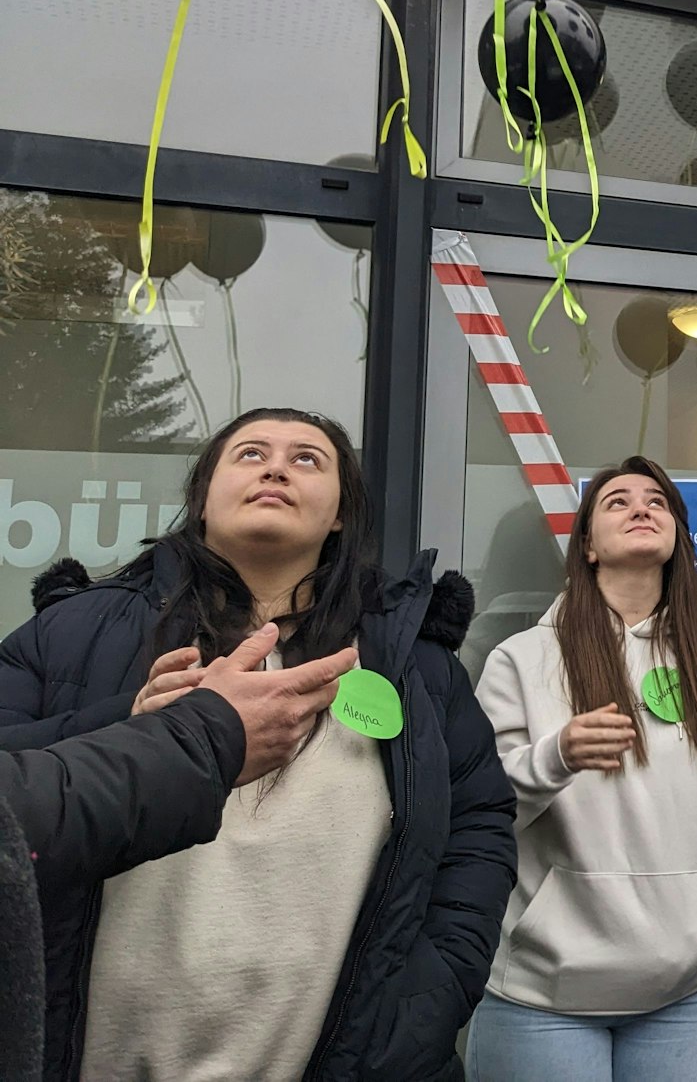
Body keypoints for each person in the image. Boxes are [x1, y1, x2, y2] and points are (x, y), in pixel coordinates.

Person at [0, 406, 517, 1082]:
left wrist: (433, 986)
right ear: (203, 499)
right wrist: (127, 717)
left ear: (338, 514)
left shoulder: (414, 664)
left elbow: (479, 822)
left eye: (308, 458)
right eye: (250, 454)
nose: (276, 466)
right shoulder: (71, 631)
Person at [469, 457, 697, 1082]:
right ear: (586, 545)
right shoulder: (520, 659)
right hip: (544, 991)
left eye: (657, 502)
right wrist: (556, 758)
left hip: (690, 985)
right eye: (617, 501)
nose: (641, 508)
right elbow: (482, 808)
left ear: (678, 542)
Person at [0, 627, 357, 1082]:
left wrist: (412, 1010)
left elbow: (467, 831)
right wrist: (173, 731)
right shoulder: (67, 630)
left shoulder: (407, 657)